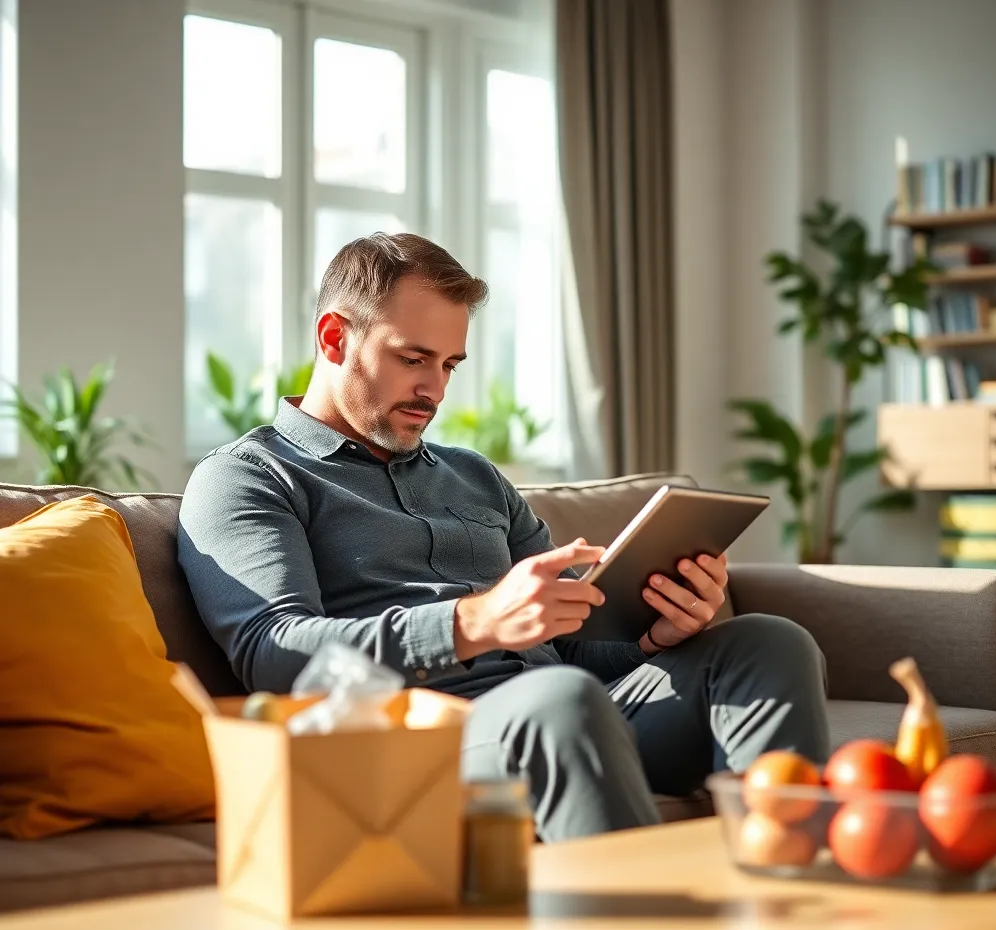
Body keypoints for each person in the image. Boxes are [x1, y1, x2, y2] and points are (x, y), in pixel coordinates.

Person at [178, 232, 830, 841]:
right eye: (412, 358)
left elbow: (571, 647)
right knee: (560, 699)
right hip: (425, 740)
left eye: (449, 365)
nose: (433, 388)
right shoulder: (248, 477)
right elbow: (275, 654)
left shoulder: (474, 477)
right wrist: (474, 622)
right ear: (333, 337)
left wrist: (651, 636)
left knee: (766, 643)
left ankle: (784, 884)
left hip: (570, 714)